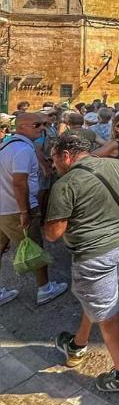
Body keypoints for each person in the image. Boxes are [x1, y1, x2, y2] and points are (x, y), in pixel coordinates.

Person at [45, 133, 119, 393]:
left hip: (95, 254)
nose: (53, 165)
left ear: (66, 155)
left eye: (54, 159)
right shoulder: (118, 165)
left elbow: (54, 233)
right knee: (98, 296)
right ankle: (77, 344)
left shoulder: (66, 183)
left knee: (107, 312)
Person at [0, 112, 68, 307]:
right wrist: (25, 211)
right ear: (21, 127)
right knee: (35, 248)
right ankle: (45, 288)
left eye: (44, 124)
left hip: (5, 206)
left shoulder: (8, 145)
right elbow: (19, 183)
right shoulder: (23, 150)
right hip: (18, 208)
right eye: (37, 125)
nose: (42, 128)